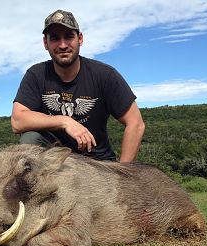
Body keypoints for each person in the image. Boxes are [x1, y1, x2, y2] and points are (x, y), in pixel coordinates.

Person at [11, 9, 145, 162]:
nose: (62, 45)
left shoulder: (104, 75)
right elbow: (17, 121)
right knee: (30, 138)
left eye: (68, 36)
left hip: (98, 162)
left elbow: (136, 123)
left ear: (80, 39)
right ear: (45, 43)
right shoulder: (36, 75)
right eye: (55, 38)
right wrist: (64, 121)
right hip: (57, 161)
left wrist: (123, 174)